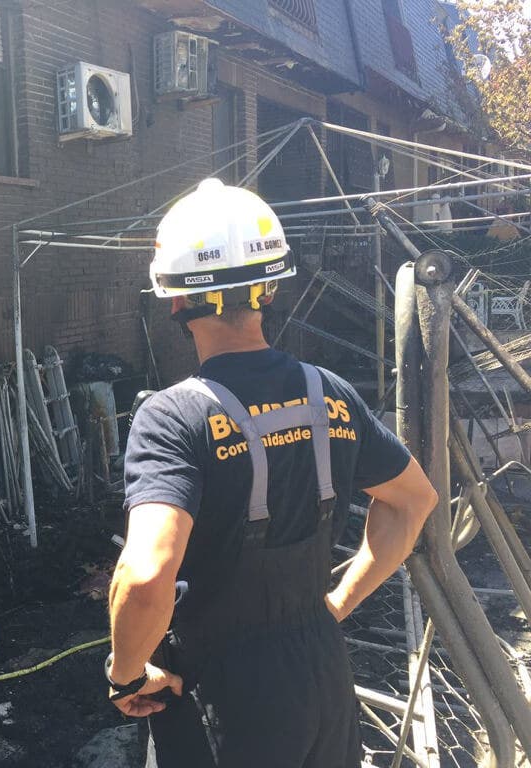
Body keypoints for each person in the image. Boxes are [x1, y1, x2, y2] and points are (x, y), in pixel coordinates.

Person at [106, 178, 437, 767]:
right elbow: (413, 500)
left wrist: (126, 673)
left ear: (177, 300)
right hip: (322, 673)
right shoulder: (329, 394)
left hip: (225, 694)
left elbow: (147, 573)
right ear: (269, 290)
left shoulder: (171, 416)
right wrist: (335, 602)